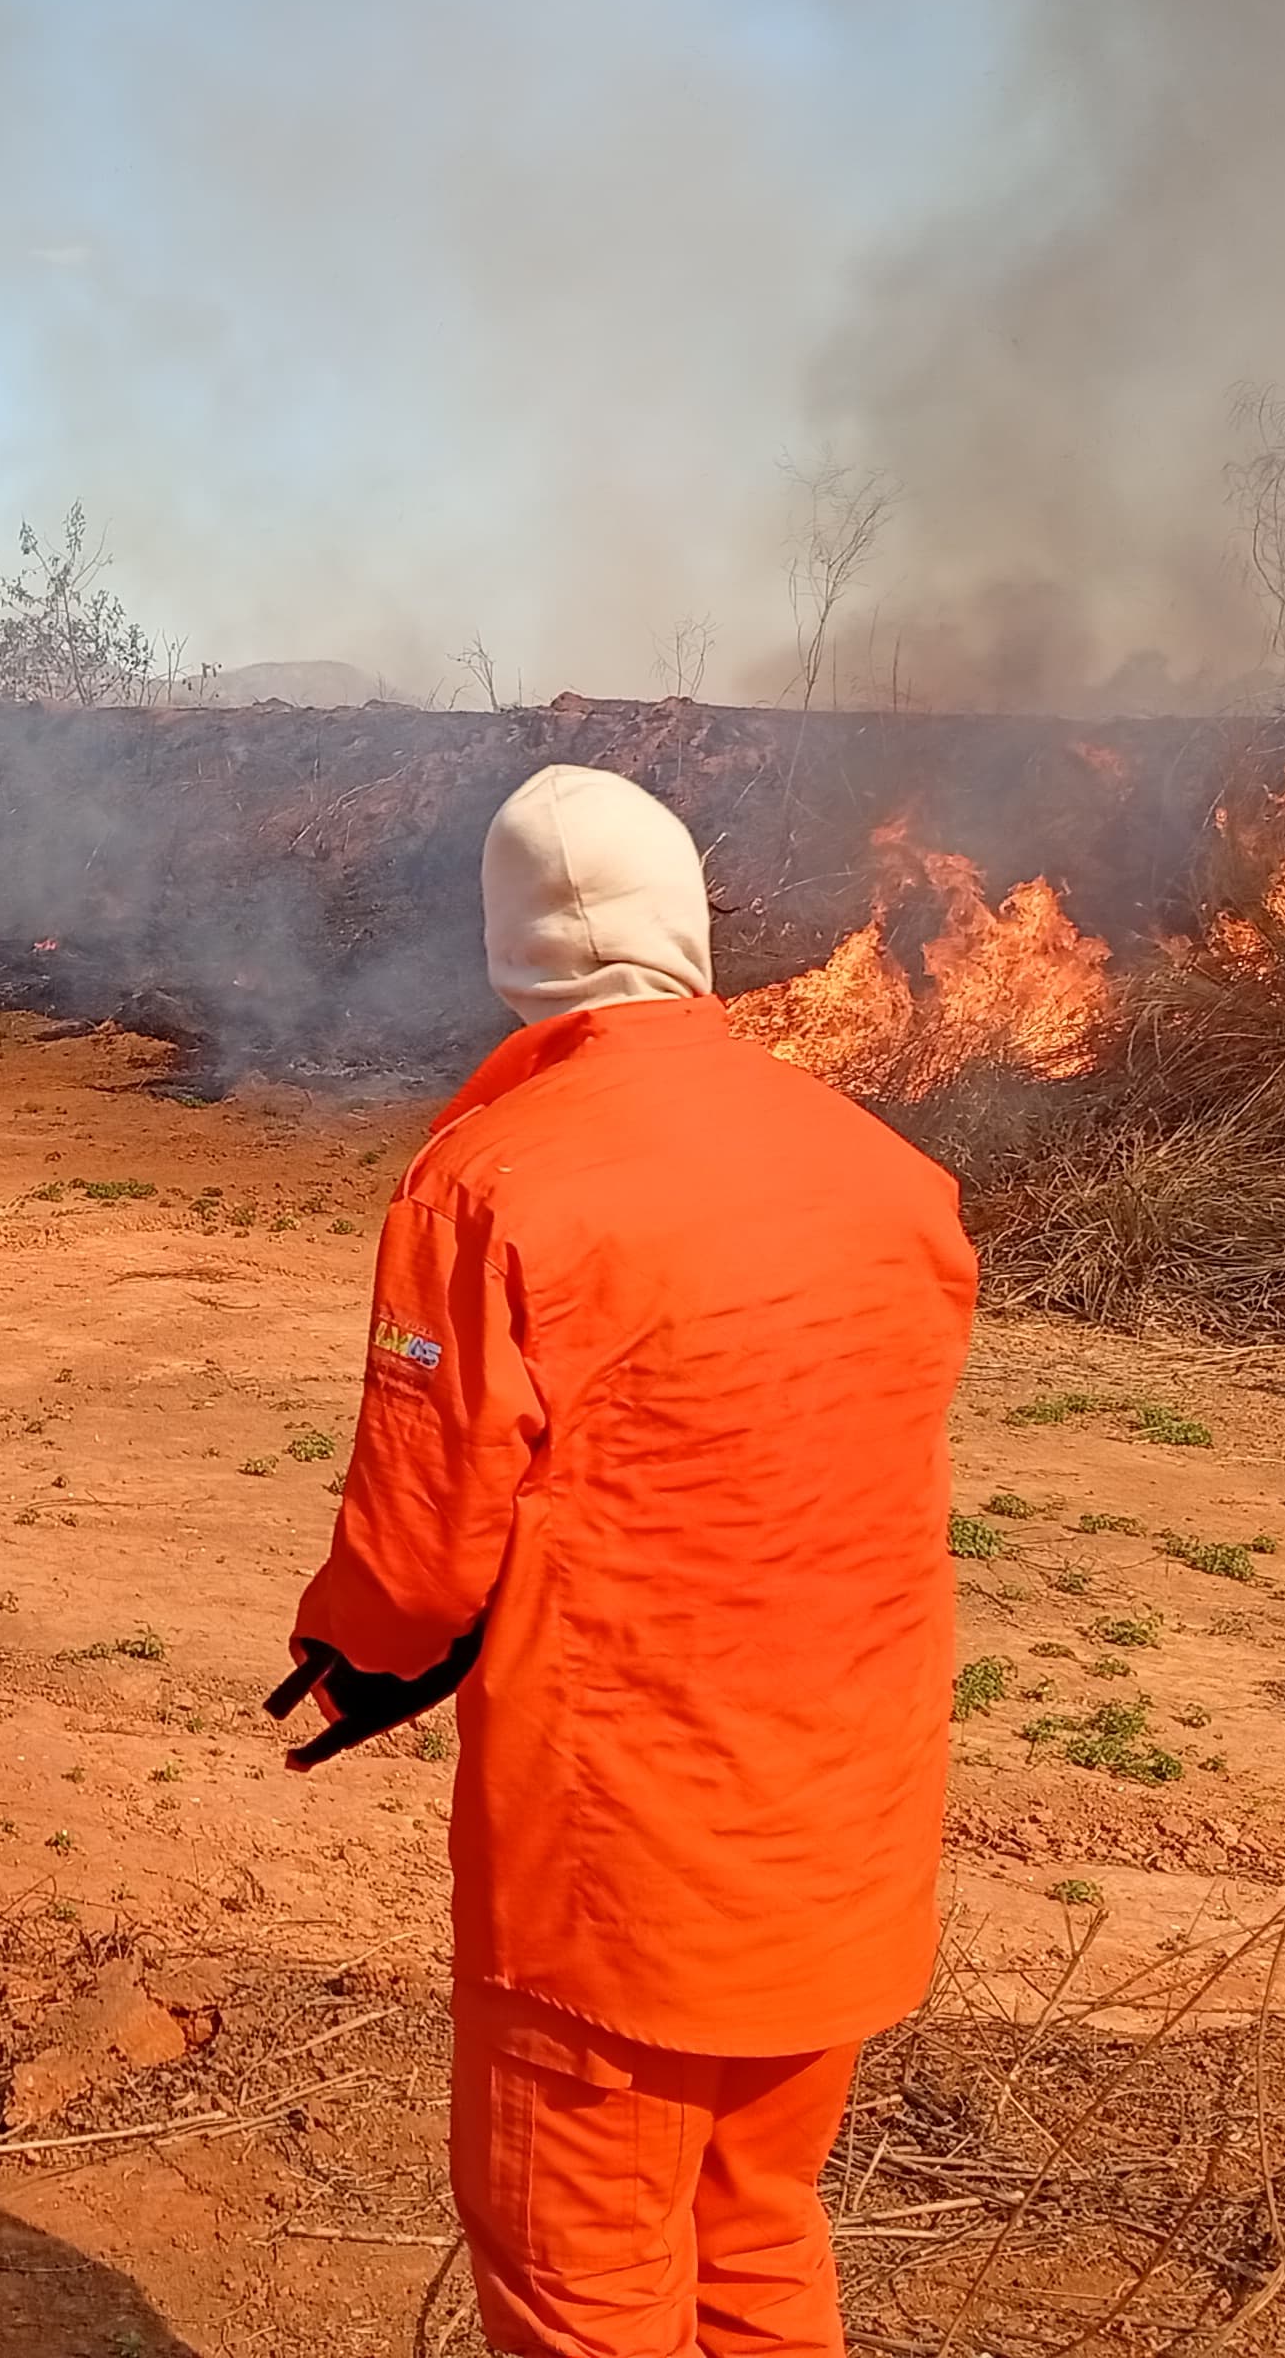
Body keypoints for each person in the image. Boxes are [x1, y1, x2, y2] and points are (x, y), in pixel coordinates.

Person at [278, 763, 976, 2358]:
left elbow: (416, 1552)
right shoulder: (889, 1175)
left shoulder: (493, 1179)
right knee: (755, 2239)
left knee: (582, 2275)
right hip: (839, 1854)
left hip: (619, 1889)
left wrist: (349, 1654)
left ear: (510, 950)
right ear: (691, 930)